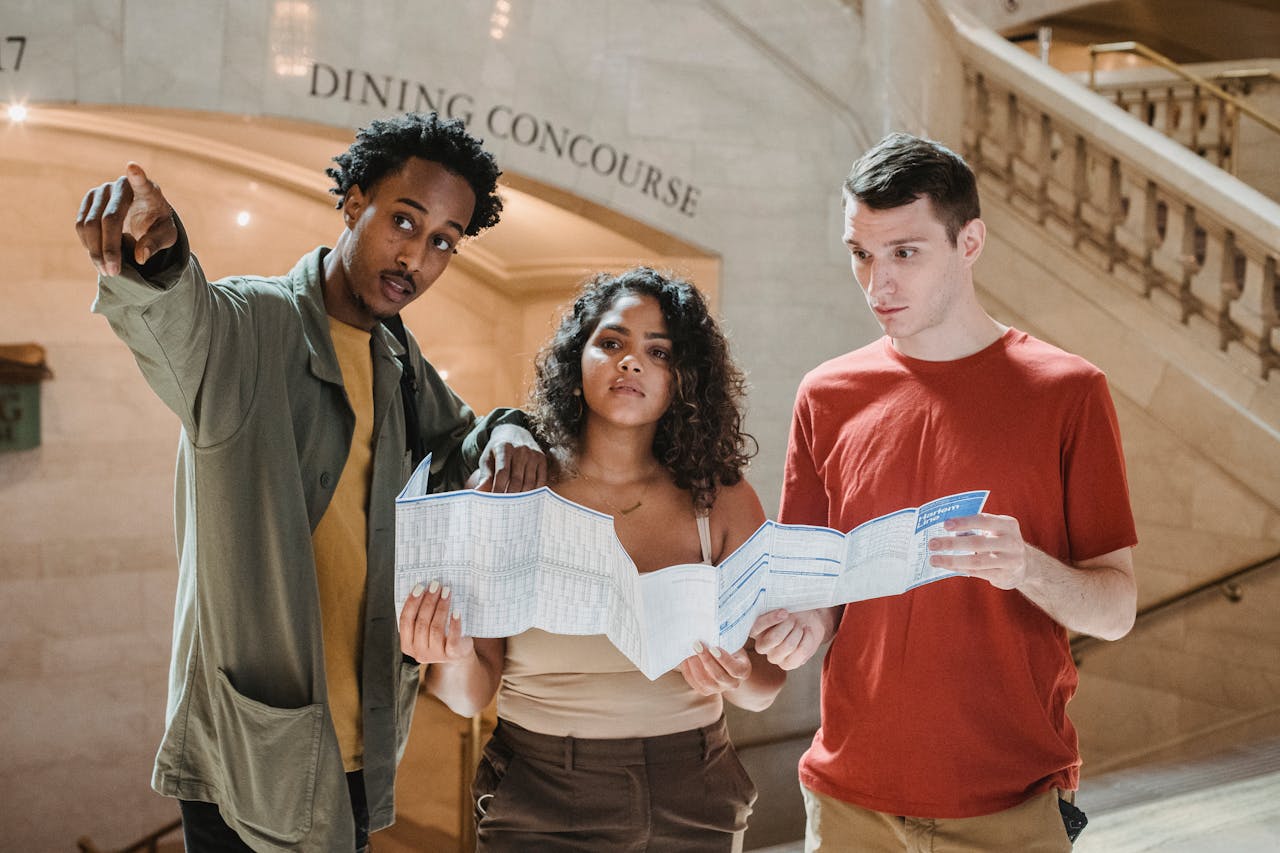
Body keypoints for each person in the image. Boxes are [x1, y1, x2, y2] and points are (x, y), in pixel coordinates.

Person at [75, 113, 546, 853]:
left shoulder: (399, 360)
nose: (416, 256)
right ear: (354, 202)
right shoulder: (250, 325)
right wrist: (158, 256)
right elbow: (179, 317)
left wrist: (512, 429)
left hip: (361, 754)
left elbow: (464, 436)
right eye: (404, 220)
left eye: (443, 242)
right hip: (249, 759)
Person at [749, 132, 1138, 852]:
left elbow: (1116, 608)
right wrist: (805, 624)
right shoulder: (824, 395)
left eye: (905, 252)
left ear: (970, 241)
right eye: (860, 254)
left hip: (1009, 806)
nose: (877, 284)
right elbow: (817, 591)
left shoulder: (1068, 391)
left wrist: (1027, 566)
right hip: (846, 804)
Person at [399, 267, 786, 851]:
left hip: (694, 787)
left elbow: (765, 687)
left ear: (682, 380)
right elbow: (468, 695)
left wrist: (735, 674)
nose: (631, 362)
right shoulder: (511, 490)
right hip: (540, 788)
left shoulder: (723, 499)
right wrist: (446, 655)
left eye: (658, 352)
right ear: (576, 361)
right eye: (611, 343)